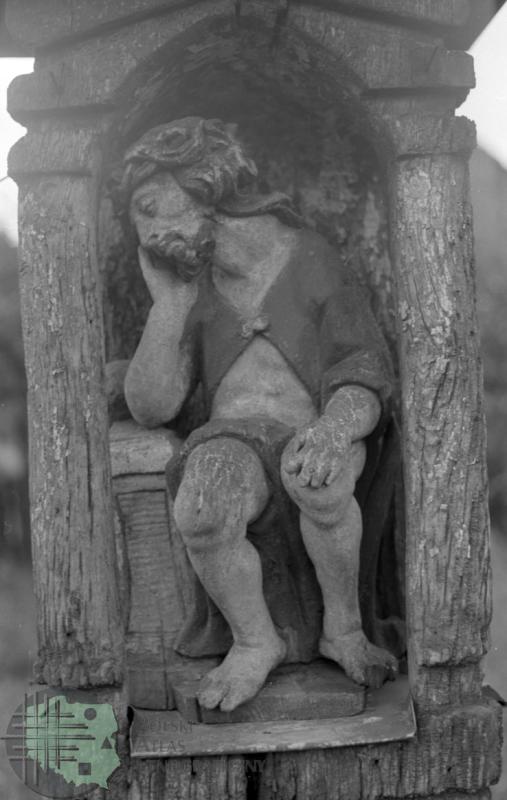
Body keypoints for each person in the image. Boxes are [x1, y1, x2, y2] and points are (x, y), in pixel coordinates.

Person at [120, 117, 398, 713]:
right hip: (232, 438)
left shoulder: (309, 257)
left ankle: (344, 628)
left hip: (318, 426)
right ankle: (254, 641)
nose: (146, 233)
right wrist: (169, 305)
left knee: (317, 478)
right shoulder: (194, 288)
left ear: (205, 184)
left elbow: (363, 365)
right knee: (202, 509)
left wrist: (334, 429)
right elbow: (151, 405)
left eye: (150, 207)